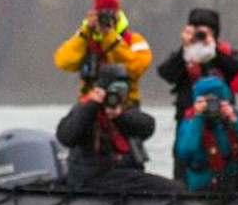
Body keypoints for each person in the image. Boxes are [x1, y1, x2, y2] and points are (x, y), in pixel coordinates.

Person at [55, 64, 181, 194]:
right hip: (94, 176)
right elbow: (66, 136)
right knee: (172, 188)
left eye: (123, 90)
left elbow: (147, 126)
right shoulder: (86, 109)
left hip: (120, 174)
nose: (118, 95)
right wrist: (91, 106)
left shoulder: (124, 110)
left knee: (170, 186)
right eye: (115, 90)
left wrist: (120, 116)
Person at [157, 8, 238, 181]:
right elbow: (165, 73)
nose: (202, 35)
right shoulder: (185, 55)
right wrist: (184, 49)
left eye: (207, 31)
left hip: (223, 124)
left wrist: (214, 51)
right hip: (189, 123)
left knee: (228, 168)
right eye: (198, 30)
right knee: (184, 170)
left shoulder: (226, 53)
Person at [54, 0, 152, 105]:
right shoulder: (86, 40)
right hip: (91, 102)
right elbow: (63, 62)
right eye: (101, 15)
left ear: (118, 14)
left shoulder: (133, 40)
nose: (105, 20)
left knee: (137, 117)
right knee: (75, 117)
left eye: (110, 14)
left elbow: (136, 69)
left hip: (125, 103)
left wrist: (110, 37)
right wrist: (85, 32)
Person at [175, 76, 238, 192]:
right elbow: (185, 152)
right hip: (204, 184)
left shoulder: (234, 116)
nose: (213, 105)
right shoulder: (191, 120)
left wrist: (235, 120)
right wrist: (198, 117)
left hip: (236, 180)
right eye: (208, 101)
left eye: (218, 99)